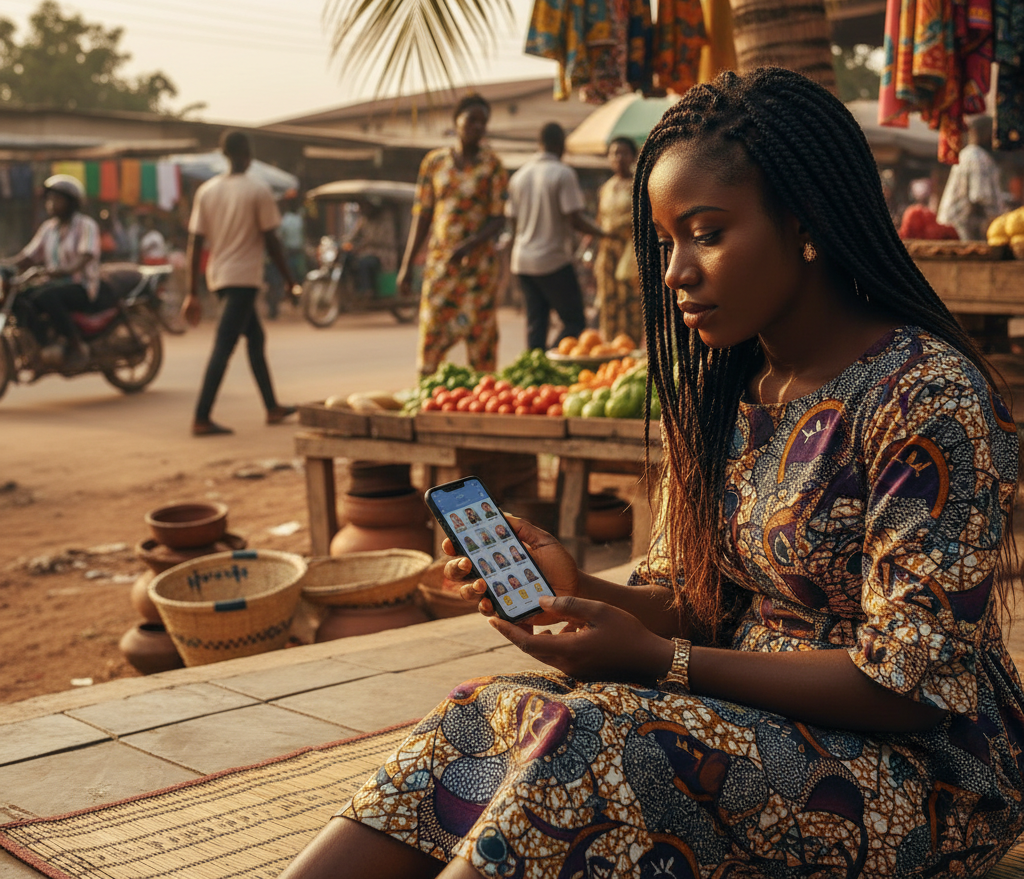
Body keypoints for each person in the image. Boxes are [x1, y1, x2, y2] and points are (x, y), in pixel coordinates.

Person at [280, 68, 1024, 879]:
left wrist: (657, 664)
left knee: (597, 744)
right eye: (667, 242)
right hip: (750, 719)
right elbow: (700, 607)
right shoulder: (729, 395)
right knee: (482, 717)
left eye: (706, 233)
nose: (674, 273)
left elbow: (908, 685)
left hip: (920, 774)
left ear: (804, 224)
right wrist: (584, 590)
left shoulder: (925, 394)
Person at [182, 131, 299, 436]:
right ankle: (201, 416)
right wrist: (290, 281)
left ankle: (272, 407)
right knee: (223, 346)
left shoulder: (207, 191)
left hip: (219, 277)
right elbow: (272, 242)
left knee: (256, 340)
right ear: (247, 155)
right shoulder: (257, 190)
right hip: (244, 278)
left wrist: (192, 292)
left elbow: (195, 244)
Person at [397, 94, 508, 375]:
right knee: (432, 330)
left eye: (483, 122)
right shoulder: (434, 163)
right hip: (441, 265)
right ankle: (428, 397)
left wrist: (469, 245)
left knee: (481, 337)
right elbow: (422, 215)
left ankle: (483, 400)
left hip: (478, 269)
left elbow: (498, 219)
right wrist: (406, 265)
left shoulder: (492, 165)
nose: (477, 127)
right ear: (456, 121)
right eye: (472, 119)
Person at [506, 122, 609, 351]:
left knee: (536, 322)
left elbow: (512, 220)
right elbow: (575, 219)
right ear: (559, 144)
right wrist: (605, 234)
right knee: (574, 321)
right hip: (552, 259)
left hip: (522, 260)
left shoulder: (519, 176)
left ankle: (537, 368)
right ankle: (555, 359)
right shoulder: (563, 173)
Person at [10, 175, 111, 370]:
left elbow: (86, 255)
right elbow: (28, 256)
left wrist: (64, 270)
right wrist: (6, 265)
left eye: (57, 199)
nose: (51, 204)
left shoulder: (85, 225)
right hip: (54, 285)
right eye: (49, 199)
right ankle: (43, 343)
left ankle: (76, 345)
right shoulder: (48, 228)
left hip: (81, 287)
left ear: (71, 203)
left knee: (47, 296)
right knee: (21, 297)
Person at [595, 135, 642, 342]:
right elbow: (600, 220)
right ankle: (611, 351)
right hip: (608, 253)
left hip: (630, 253)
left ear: (633, 157)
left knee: (630, 303)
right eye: (614, 153)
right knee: (609, 301)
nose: (619, 157)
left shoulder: (639, 186)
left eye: (624, 152)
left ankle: (630, 350)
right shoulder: (605, 188)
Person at [936, 115, 1008, 239]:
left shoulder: (968, 154)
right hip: (961, 232)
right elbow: (978, 199)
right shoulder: (977, 157)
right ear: (985, 133)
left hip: (955, 228)